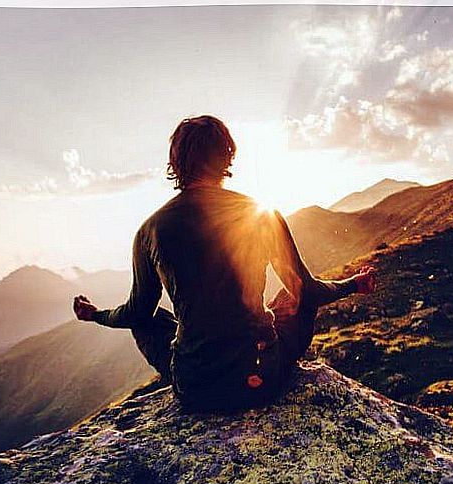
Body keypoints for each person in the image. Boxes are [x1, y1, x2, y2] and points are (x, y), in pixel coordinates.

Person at [73, 115, 376, 412]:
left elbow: (134, 313)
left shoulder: (150, 231)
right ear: (227, 157)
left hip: (195, 388)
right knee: (293, 295)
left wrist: (95, 314)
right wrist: (353, 284)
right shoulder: (261, 214)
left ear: (176, 164)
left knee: (149, 318)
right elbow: (308, 292)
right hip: (259, 378)